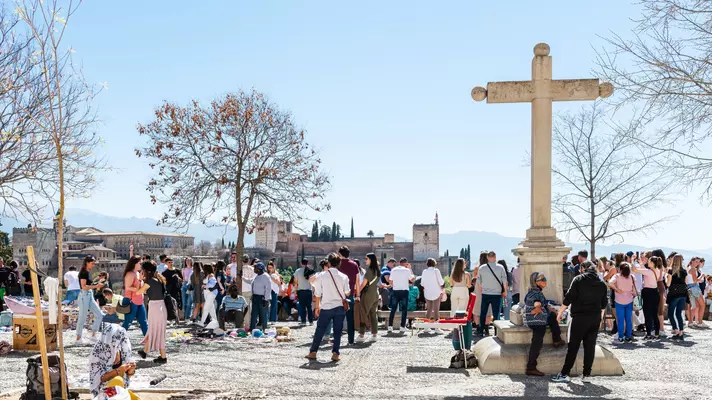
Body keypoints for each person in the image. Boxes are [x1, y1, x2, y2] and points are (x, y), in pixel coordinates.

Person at [552, 261, 608, 383]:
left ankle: (564, 373)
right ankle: (586, 374)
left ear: (583, 269)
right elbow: (604, 305)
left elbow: (569, 298)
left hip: (580, 317)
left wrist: (560, 312)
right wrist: (600, 319)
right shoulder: (602, 283)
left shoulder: (578, 280)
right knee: (590, 347)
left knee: (573, 346)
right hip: (595, 317)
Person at [306, 253, 350, 362]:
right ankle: (335, 353)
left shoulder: (322, 275)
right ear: (338, 263)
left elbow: (317, 294)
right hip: (339, 306)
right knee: (337, 331)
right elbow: (347, 292)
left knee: (320, 330)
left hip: (326, 306)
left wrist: (317, 307)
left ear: (329, 263)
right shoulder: (344, 277)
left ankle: (313, 352)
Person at [524, 272, 566, 376]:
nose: (545, 281)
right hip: (537, 322)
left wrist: (547, 309)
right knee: (536, 344)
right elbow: (537, 302)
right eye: (543, 279)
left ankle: (557, 339)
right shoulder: (537, 293)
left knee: (551, 316)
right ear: (536, 282)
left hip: (536, 320)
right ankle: (531, 367)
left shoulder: (532, 291)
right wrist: (537, 307)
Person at [89, 325, 137, 399]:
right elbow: (99, 379)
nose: (112, 346)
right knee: (118, 380)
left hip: (120, 390)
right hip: (104, 392)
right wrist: (118, 371)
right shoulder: (97, 353)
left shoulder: (123, 350)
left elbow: (127, 377)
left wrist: (130, 371)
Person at [134, 262, 167, 363]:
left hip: (155, 307)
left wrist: (139, 280)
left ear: (146, 271)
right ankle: (145, 351)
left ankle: (163, 357)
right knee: (155, 330)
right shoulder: (157, 279)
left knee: (155, 330)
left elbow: (138, 292)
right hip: (160, 307)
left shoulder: (149, 281)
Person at [477, 251, 508, 336]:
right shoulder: (501, 267)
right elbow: (504, 281)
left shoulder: (482, 268)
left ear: (488, 258)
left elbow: (479, 280)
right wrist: (505, 291)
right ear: (495, 258)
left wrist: (481, 289)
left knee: (483, 313)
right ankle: (496, 332)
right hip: (496, 294)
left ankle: (481, 331)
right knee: (496, 314)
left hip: (485, 293)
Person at [76, 255, 105, 343]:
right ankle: (78, 338)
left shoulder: (87, 272)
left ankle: (93, 335)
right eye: (92, 263)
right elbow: (84, 286)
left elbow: (88, 283)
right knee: (82, 317)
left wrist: (97, 280)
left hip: (89, 294)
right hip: (84, 295)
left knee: (99, 314)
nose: (93, 265)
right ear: (87, 263)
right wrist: (96, 286)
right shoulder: (83, 272)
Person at [632, 255, 662, 339]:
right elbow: (644, 270)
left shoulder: (648, 271)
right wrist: (641, 264)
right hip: (655, 292)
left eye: (649, 261)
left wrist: (632, 261)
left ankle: (648, 333)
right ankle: (656, 333)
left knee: (647, 314)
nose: (647, 262)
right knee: (654, 314)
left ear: (652, 263)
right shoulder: (657, 270)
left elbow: (634, 270)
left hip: (648, 293)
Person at [609, 262, 638, 343]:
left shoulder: (617, 276)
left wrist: (617, 289)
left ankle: (621, 336)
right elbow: (635, 290)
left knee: (620, 319)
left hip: (619, 300)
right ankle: (629, 336)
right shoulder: (632, 277)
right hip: (629, 300)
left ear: (620, 269)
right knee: (628, 319)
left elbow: (610, 283)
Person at [337, 246, 360, 345]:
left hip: (337, 295)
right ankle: (351, 340)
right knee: (350, 319)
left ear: (339, 254)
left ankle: (336, 340)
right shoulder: (354, 264)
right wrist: (358, 295)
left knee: (337, 319)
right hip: (349, 294)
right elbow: (357, 282)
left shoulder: (337, 264)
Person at [357, 253, 382, 342]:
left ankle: (361, 335)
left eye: (366, 258)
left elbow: (364, 284)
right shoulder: (377, 270)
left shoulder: (369, 270)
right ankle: (374, 334)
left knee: (364, 313)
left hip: (368, 294)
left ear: (371, 259)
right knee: (373, 314)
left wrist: (357, 292)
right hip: (375, 293)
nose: (365, 260)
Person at [387, 257, 414, 332]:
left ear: (399, 262)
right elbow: (412, 279)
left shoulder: (394, 269)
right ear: (406, 263)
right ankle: (402, 326)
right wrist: (410, 269)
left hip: (395, 291)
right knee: (404, 309)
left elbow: (390, 280)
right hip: (404, 291)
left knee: (393, 309)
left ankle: (390, 326)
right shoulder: (407, 270)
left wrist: (393, 285)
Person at [666, 254, 688, 340]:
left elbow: (668, 284)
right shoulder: (684, 271)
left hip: (674, 294)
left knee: (671, 313)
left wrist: (665, 278)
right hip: (683, 294)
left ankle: (675, 329)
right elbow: (686, 283)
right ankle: (681, 332)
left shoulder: (671, 271)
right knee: (678, 313)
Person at [420, 257, 444, 334]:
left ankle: (426, 327)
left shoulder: (424, 271)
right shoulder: (436, 271)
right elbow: (441, 282)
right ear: (434, 264)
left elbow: (422, 283)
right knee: (436, 310)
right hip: (436, 292)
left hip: (427, 292)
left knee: (429, 309)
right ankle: (437, 328)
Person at [250, 262, 271, 332]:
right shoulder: (256, 276)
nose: (254, 269)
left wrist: (266, 299)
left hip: (262, 298)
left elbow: (268, 288)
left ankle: (265, 329)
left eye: (255, 268)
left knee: (263, 314)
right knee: (253, 314)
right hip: (255, 297)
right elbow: (251, 283)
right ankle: (252, 328)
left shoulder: (266, 276)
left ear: (259, 269)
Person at [293, 258, 315, 325]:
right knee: (309, 307)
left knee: (302, 307)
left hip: (301, 291)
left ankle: (303, 321)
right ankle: (311, 321)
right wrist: (313, 291)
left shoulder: (297, 271)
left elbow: (295, 282)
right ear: (307, 263)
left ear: (301, 263)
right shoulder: (310, 271)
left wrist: (295, 290)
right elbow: (313, 282)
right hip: (309, 291)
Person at [199, 263, 220, 328]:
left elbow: (213, 284)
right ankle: (215, 322)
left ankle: (202, 322)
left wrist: (205, 286)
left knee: (206, 308)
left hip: (211, 293)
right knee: (211, 309)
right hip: (207, 293)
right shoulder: (208, 275)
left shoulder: (211, 275)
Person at [686, 257, 705, 327]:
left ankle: (690, 322)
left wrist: (698, 280)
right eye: (696, 262)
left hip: (689, 288)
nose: (697, 263)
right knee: (702, 305)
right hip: (695, 288)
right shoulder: (693, 269)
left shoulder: (688, 268)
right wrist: (701, 277)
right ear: (692, 261)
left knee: (694, 306)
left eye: (698, 262)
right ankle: (700, 322)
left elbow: (689, 280)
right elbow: (695, 280)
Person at [241, 255, 256, 328]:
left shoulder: (239, 269)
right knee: (248, 308)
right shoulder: (252, 269)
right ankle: (247, 325)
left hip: (241, 290)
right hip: (249, 290)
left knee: (241, 308)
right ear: (249, 260)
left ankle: (242, 324)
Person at [181, 258, 194, 322]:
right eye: (186, 261)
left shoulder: (193, 269)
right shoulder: (183, 269)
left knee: (189, 301)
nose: (188, 262)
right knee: (184, 301)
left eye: (189, 261)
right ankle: (186, 316)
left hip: (191, 285)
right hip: (184, 284)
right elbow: (183, 278)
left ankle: (187, 317)